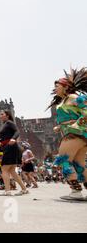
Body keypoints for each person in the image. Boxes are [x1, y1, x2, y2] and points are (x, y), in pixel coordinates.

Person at [50, 68, 87, 199]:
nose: (55, 89)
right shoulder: (66, 100)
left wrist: (76, 125)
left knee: (63, 160)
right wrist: (60, 126)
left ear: (66, 87)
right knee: (80, 165)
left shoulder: (73, 97)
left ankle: (75, 191)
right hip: (77, 136)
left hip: (74, 135)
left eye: (57, 86)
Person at [0, 110, 28, 196]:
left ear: (7, 115)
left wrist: (13, 138)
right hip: (9, 147)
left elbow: (17, 131)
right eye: (0, 114)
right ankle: (24, 189)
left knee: (4, 169)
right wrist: (1, 143)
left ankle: (7, 191)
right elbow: (6, 137)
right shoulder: (5, 124)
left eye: (2, 114)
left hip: (10, 148)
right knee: (12, 171)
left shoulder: (9, 122)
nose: (0, 116)